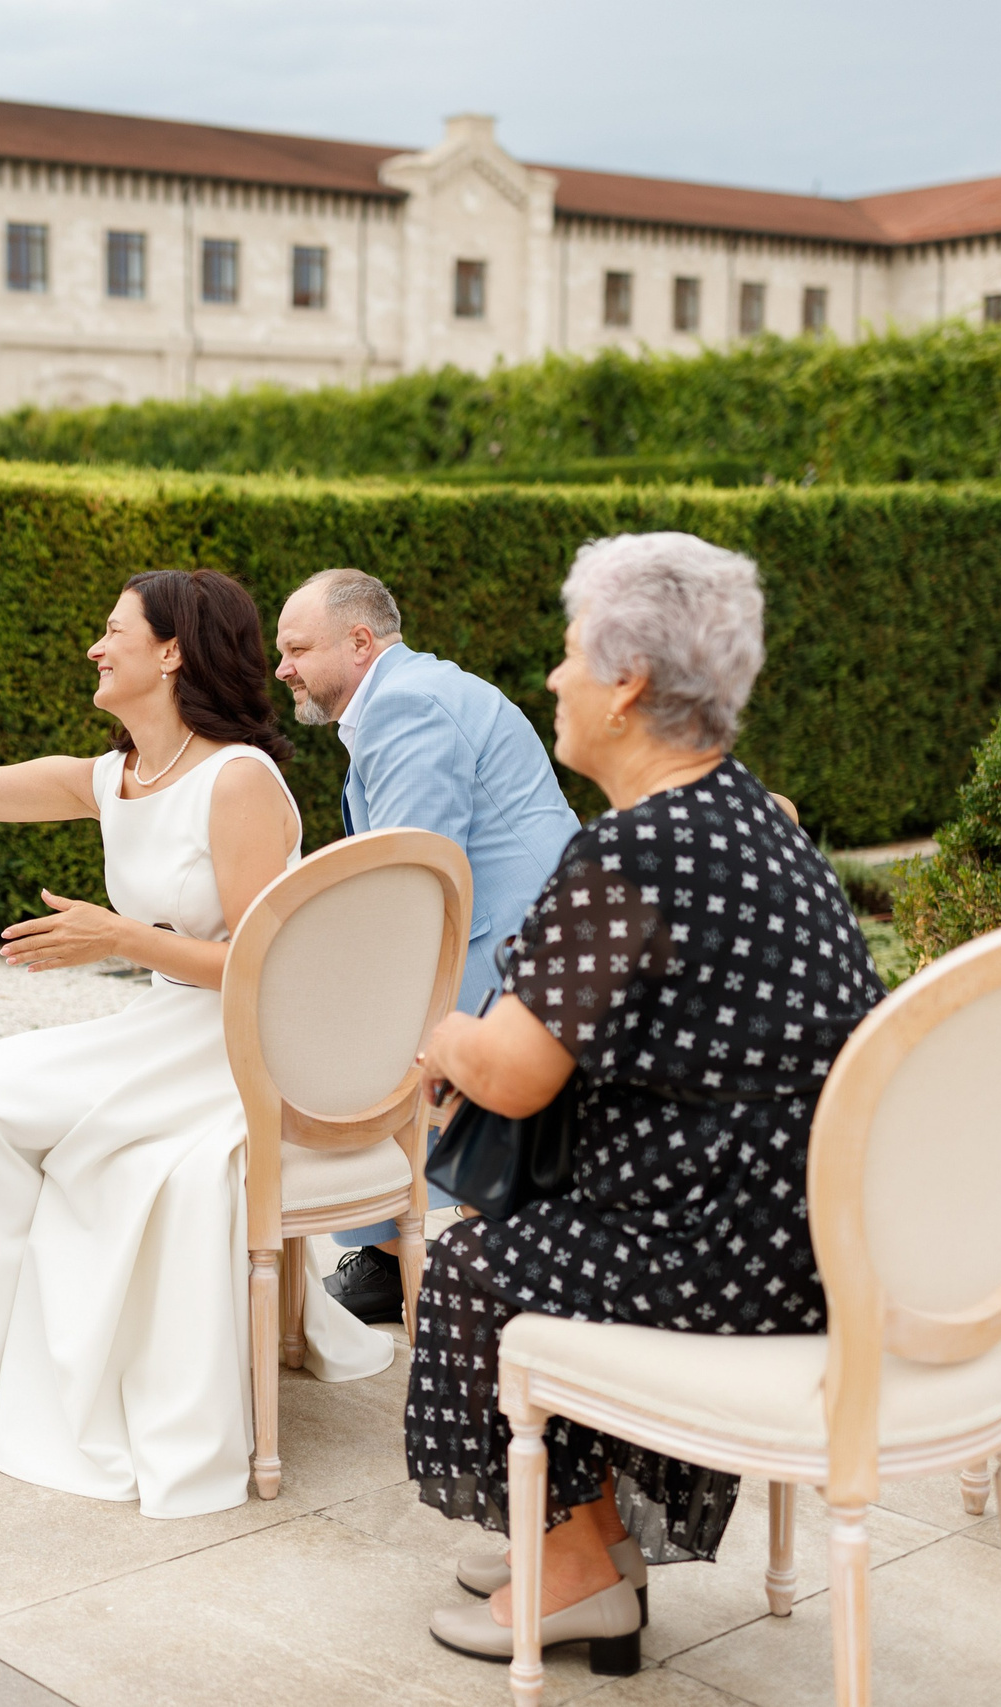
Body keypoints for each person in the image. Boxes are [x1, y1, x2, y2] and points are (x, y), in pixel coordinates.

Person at [0, 568, 391, 1519]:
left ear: (173, 650)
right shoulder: (118, 776)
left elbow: (274, 963)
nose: (95, 648)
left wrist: (120, 939)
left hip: (235, 1044)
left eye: (112, 630)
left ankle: (7, 1381)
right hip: (165, 1026)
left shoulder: (239, 781)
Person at [403, 532, 884, 1667]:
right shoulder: (755, 815)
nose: (554, 680)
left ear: (624, 686)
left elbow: (514, 1070)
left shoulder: (631, 852)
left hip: (724, 1251)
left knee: (473, 1260)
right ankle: (587, 1530)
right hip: (815, 1230)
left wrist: (445, 1036)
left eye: (570, 657)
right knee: (527, 1210)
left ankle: (574, 1568)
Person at [273, 568, 578, 1323]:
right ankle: (380, 1250)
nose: (281, 669)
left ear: (359, 641)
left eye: (295, 649)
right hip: (513, 942)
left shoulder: (406, 704)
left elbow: (413, 879)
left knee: (325, 1033)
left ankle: (384, 1250)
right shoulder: (412, 694)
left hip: (509, 961)